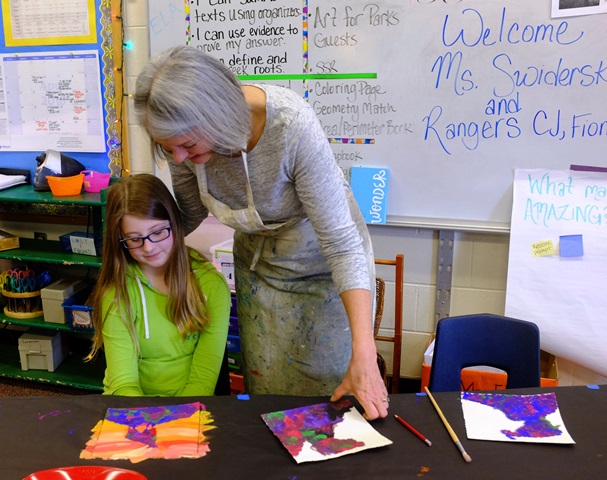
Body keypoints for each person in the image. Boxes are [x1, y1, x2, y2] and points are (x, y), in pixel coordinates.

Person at [134, 46, 390, 419]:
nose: (178, 159)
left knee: (329, 404)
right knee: (267, 395)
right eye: (168, 148)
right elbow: (187, 215)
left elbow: (342, 244)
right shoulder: (183, 147)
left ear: (219, 117)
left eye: (187, 145)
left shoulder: (291, 125)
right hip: (259, 269)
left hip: (323, 271)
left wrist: (364, 352)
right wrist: (139, 237)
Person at [87, 173, 231, 396]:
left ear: (174, 224)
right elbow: (124, 384)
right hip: (133, 409)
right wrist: (150, 425)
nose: (149, 248)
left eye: (157, 232)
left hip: (191, 406)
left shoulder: (212, 286)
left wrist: (177, 422)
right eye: (135, 239)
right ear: (120, 241)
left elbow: (203, 380)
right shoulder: (116, 293)